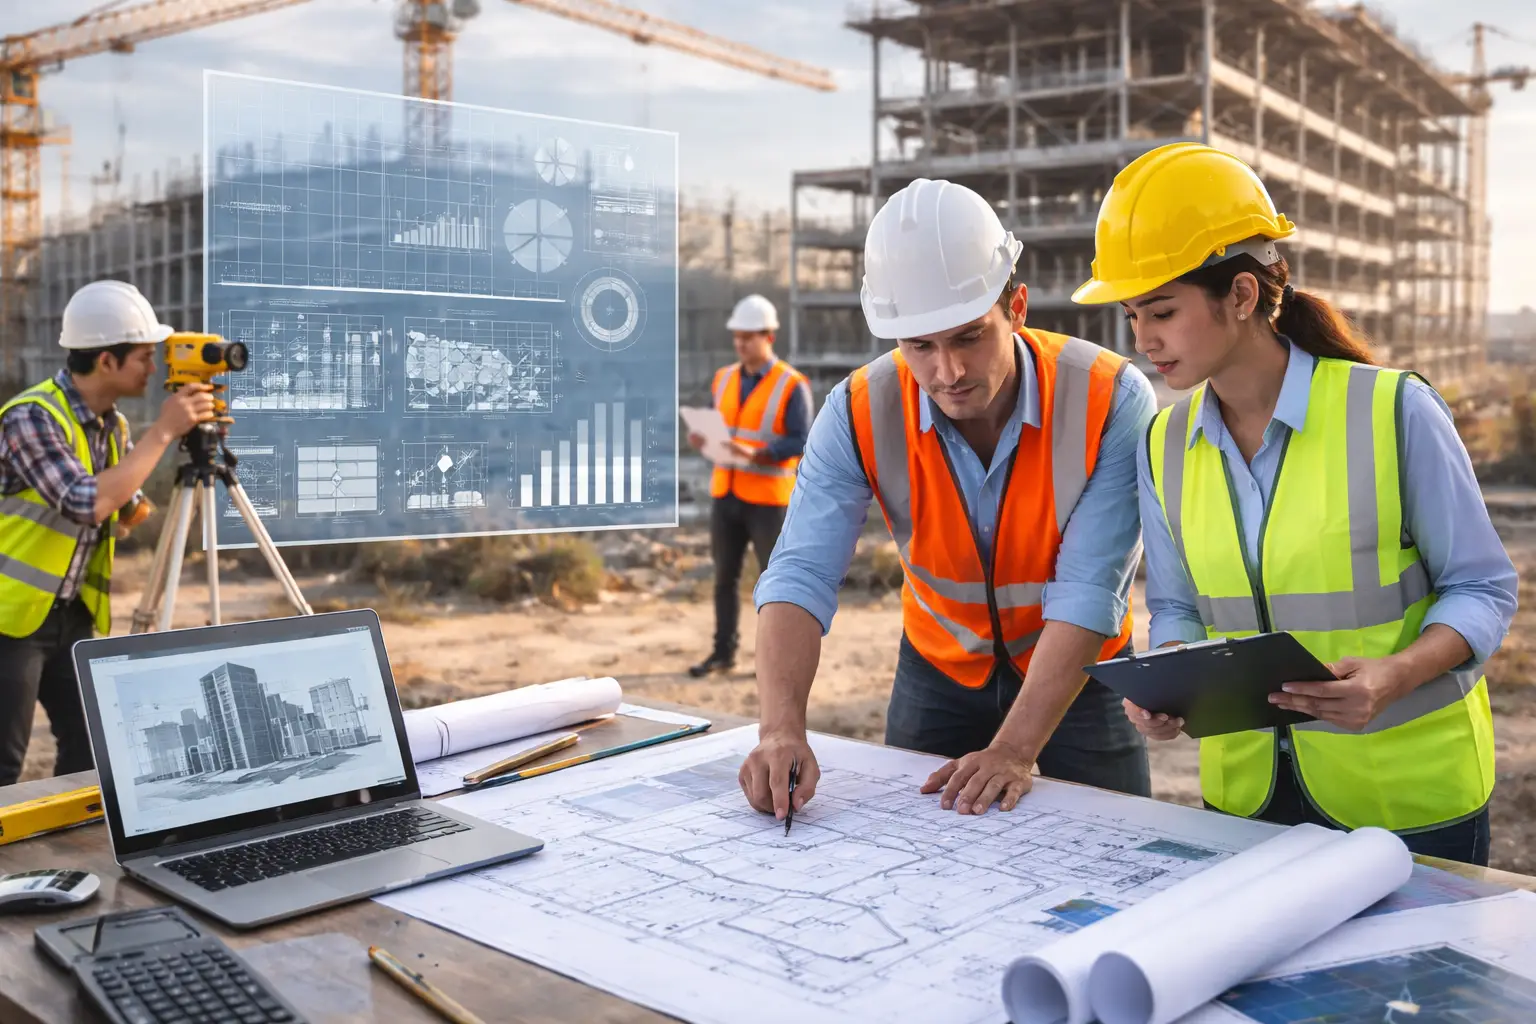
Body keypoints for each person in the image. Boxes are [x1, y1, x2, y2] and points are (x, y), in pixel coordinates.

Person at [1071, 141, 1517, 866]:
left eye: (1162, 311)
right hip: (1248, 799)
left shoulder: (1393, 411)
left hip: (1403, 798)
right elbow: (1178, 605)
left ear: (1242, 296)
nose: (1144, 339)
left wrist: (1396, 675)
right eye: (1132, 316)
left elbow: (1483, 588)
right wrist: (1170, 679)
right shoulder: (1164, 443)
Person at [738, 178, 1157, 822]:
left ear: (1017, 307)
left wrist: (1013, 750)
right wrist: (779, 731)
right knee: (916, 852)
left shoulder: (1110, 397)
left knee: (1119, 847)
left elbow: (1089, 590)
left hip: (1082, 669)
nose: (947, 372)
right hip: (939, 669)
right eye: (920, 347)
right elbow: (799, 574)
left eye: (968, 337)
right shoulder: (858, 411)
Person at [0, 279, 216, 786]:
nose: (154, 368)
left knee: (89, 752)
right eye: (144, 357)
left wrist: (196, 457)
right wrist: (163, 431)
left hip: (72, 613)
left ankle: (73, 834)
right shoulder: (32, 417)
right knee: (4, 764)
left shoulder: (111, 425)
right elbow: (87, 502)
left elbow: (124, 510)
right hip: (11, 618)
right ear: (106, 361)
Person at [686, 294, 811, 678]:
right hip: (726, 493)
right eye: (737, 336)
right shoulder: (723, 378)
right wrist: (704, 439)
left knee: (776, 586)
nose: (740, 343)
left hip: (769, 501)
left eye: (748, 337)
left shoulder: (792, 384)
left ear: (769, 336)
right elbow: (722, 427)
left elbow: (801, 440)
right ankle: (723, 653)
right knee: (725, 579)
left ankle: (777, 662)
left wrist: (758, 453)